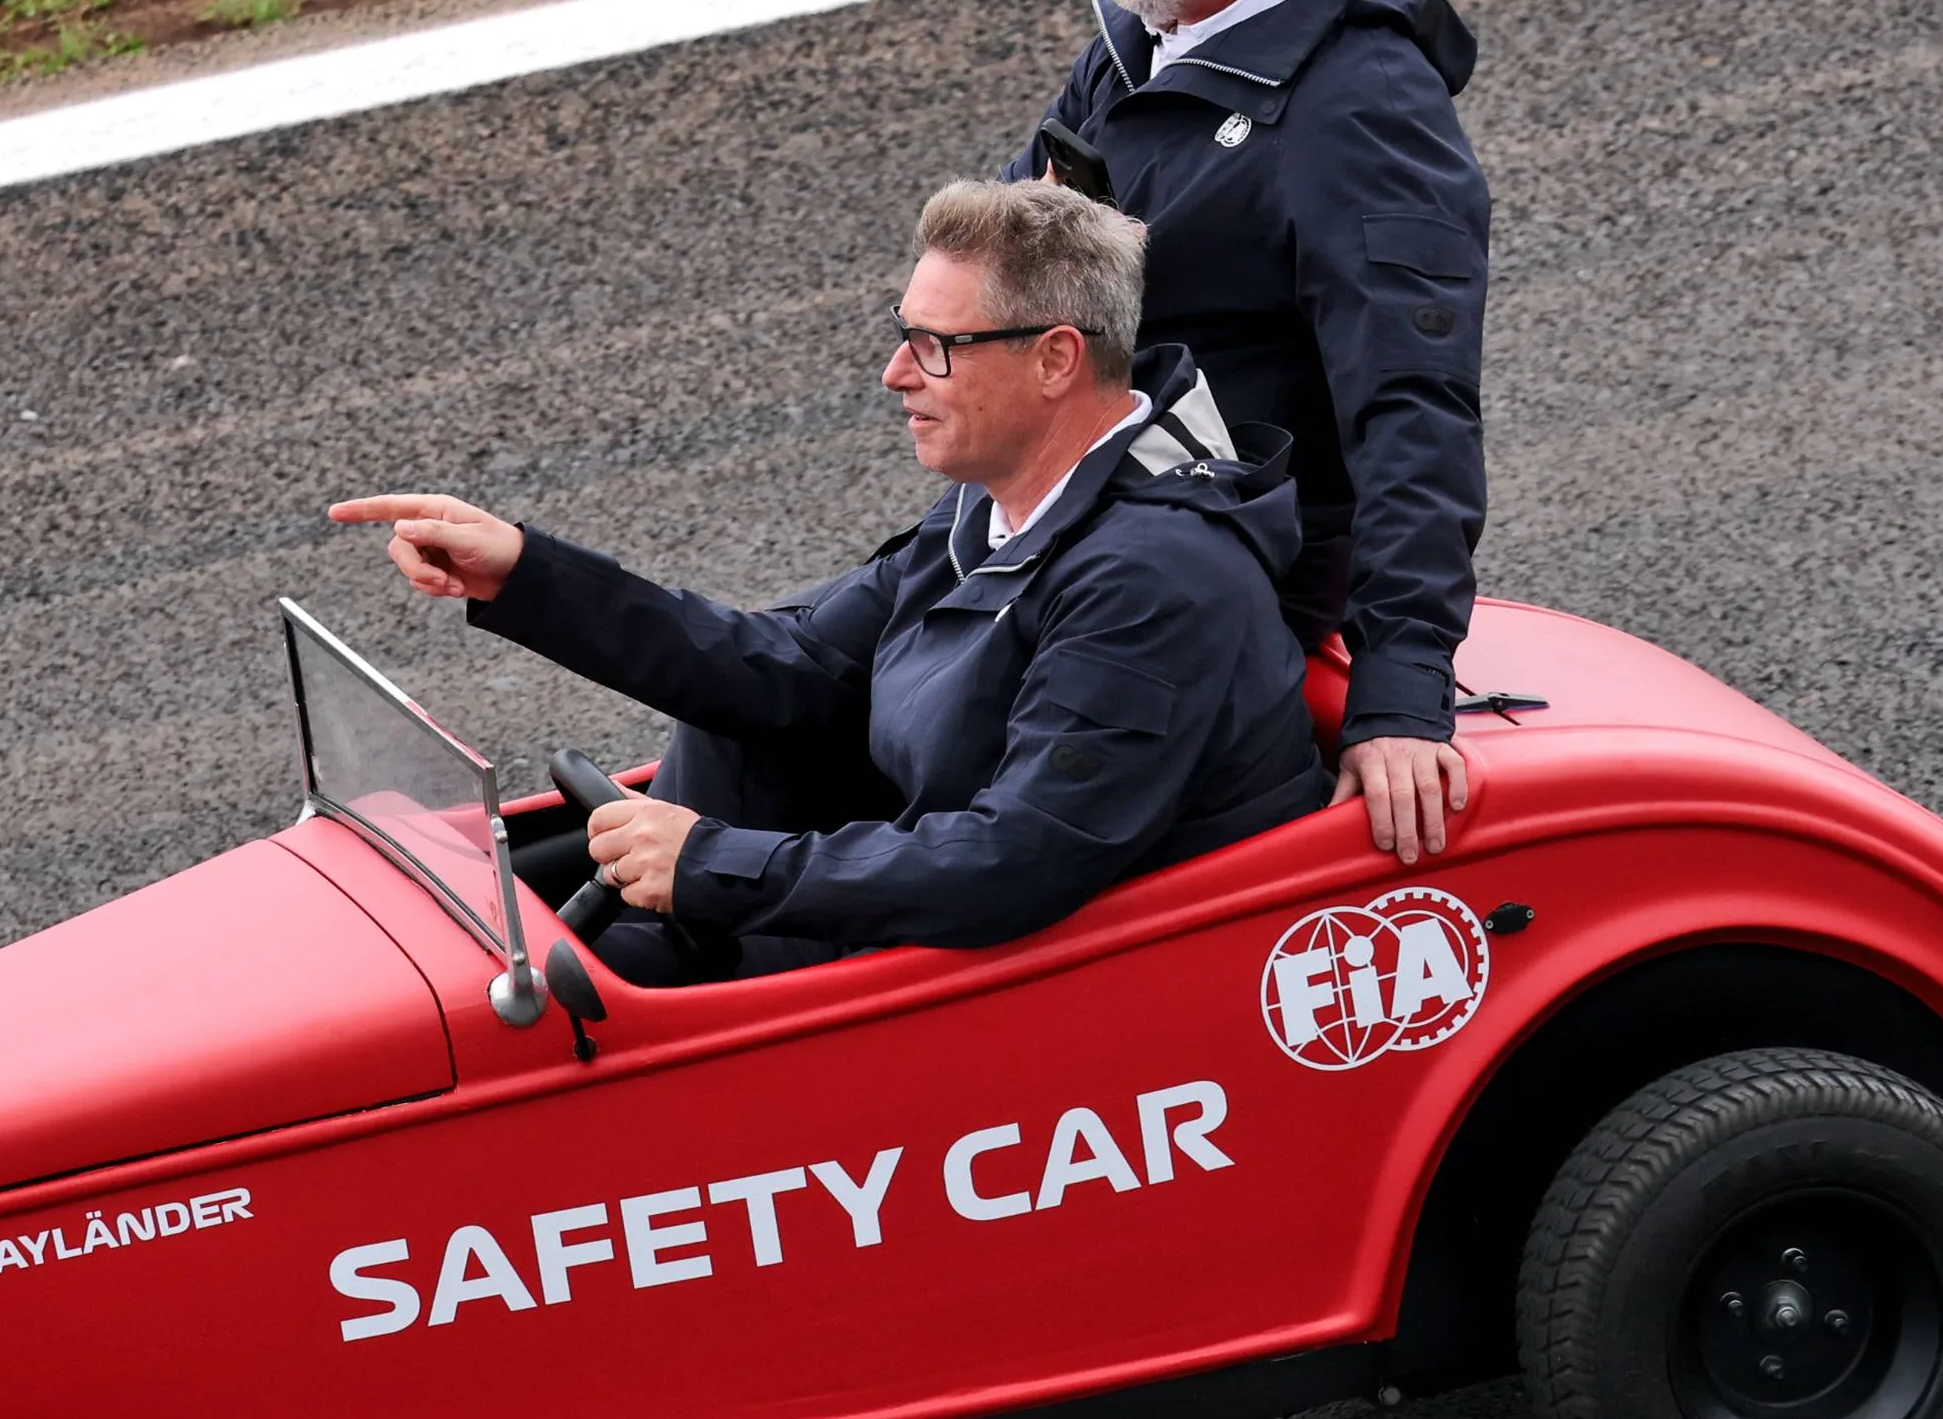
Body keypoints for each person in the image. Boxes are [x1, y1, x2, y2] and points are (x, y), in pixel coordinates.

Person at [330, 180, 1321, 986]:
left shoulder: (1152, 578)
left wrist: (712, 864)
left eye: (936, 346)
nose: (896, 373)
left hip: (1048, 984)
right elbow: (787, 668)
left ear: (1057, 359)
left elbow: (1017, 859)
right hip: (919, 925)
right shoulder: (997, 506)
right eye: (903, 335)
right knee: (728, 730)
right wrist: (526, 571)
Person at [1018, 0, 1492, 865]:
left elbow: (1412, 407)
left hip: (1199, 597)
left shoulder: (1362, 113)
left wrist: (1398, 699)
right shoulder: (1153, 23)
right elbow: (1020, 241)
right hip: (1068, 533)